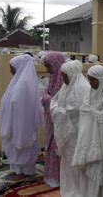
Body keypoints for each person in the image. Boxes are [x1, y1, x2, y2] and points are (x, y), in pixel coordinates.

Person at [72, 65, 103, 196]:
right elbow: (84, 109)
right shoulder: (90, 92)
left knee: (101, 170)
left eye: (93, 80)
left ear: (101, 79)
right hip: (88, 138)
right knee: (88, 171)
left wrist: (90, 110)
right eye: (89, 79)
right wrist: (90, 111)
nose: (90, 83)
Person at [50, 60, 89, 197]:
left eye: (65, 75)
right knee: (67, 163)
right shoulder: (66, 86)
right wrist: (58, 110)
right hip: (67, 135)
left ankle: (79, 192)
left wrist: (61, 111)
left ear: (72, 74)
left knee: (77, 165)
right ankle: (69, 190)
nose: (63, 79)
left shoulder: (83, 88)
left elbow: (78, 111)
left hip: (77, 134)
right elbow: (55, 101)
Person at [0, 54, 42, 175]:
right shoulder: (18, 81)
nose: (10, 70)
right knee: (16, 148)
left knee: (22, 147)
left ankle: (25, 172)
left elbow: (20, 104)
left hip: (21, 124)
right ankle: (18, 171)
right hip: (14, 122)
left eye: (12, 67)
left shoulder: (24, 83)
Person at [42, 52, 65, 187]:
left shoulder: (64, 79)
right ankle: (52, 176)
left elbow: (64, 102)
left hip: (60, 122)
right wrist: (47, 97)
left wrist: (47, 99)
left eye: (49, 66)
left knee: (59, 148)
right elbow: (48, 93)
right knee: (51, 147)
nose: (47, 70)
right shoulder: (53, 78)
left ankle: (60, 177)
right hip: (51, 120)